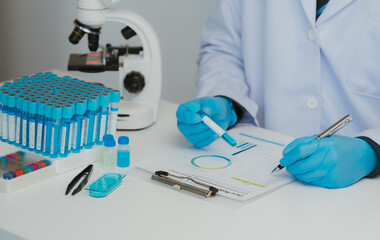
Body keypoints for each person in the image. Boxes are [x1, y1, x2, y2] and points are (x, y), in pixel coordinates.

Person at [176, 0, 380, 188]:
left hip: (366, 194)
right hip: (261, 173)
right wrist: (227, 100)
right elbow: (223, 49)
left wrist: (372, 152)